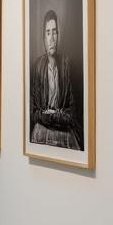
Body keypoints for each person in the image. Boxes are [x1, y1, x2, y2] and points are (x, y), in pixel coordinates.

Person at [29, 10, 81, 149]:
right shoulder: (38, 66)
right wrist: (55, 116)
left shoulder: (66, 64)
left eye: (54, 32)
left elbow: (72, 114)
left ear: (58, 35)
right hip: (43, 127)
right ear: (44, 38)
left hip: (63, 128)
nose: (51, 38)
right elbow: (33, 112)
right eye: (48, 33)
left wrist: (53, 115)